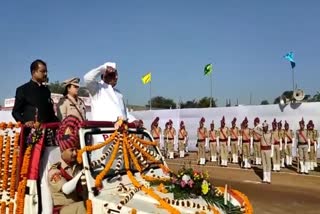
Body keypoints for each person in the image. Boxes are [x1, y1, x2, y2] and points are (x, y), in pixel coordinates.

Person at [48, 115, 87, 213]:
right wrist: (81, 174)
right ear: (62, 151)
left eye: (76, 149)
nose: (75, 153)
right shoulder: (55, 171)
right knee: (86, 206)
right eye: (71, 150)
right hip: (63, 209)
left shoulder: (77, 166)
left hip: (78, 206)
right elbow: (66, 189)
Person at [12, 59, 59, 126]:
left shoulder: (46, 91)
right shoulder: (23, 89)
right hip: (30, 133)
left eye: (46, 71)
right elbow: (15, 112)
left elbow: (51, 114)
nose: (45, 74)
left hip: (46, 132)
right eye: (42, 71)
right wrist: (25, 122)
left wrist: (62, 124)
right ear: (34, 72)